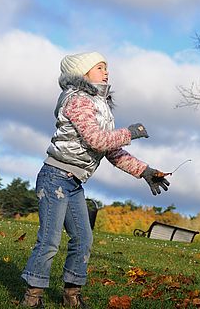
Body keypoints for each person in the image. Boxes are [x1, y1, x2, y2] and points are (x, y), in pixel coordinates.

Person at [21, 51, 170, 308]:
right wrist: (130, 132)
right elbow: (97, 140)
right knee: (49, 240)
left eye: (106, 67)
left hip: (74, 182)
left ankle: (71, 296)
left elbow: (110, 150)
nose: (106, 72)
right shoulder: (78, 99)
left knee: (83, 239)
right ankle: (32, 298)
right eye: (100, 67)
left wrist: (145, 171)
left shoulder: (100, 105)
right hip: (55, 177)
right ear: (83, 72)